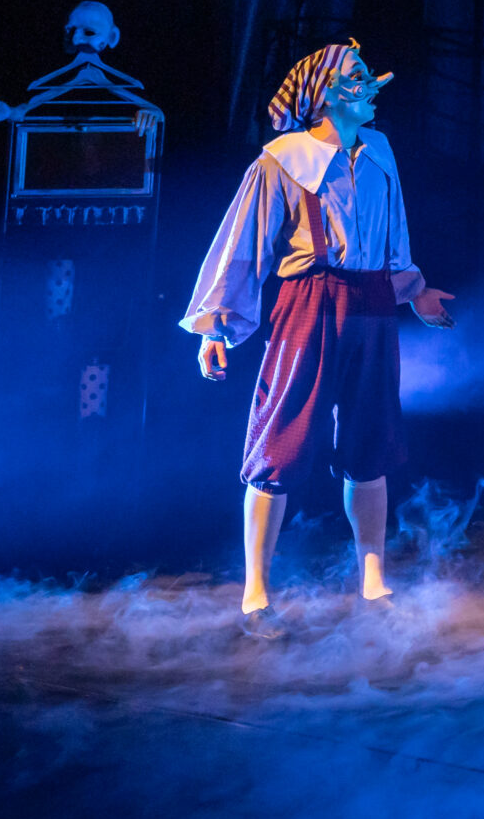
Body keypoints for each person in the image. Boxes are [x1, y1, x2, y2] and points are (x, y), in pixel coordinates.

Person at [181, 41, 455, 630]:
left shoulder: (380, 152)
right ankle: (256, 587)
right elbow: (242, 246)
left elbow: (394, 239)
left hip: (373, 302)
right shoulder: (282, 161)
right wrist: (215, 326)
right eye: (357, 75)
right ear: (327, 93)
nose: (372, 84)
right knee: (279, 440)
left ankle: (373, 579)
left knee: (370, 441)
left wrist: (416, 292)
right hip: (310, 301)